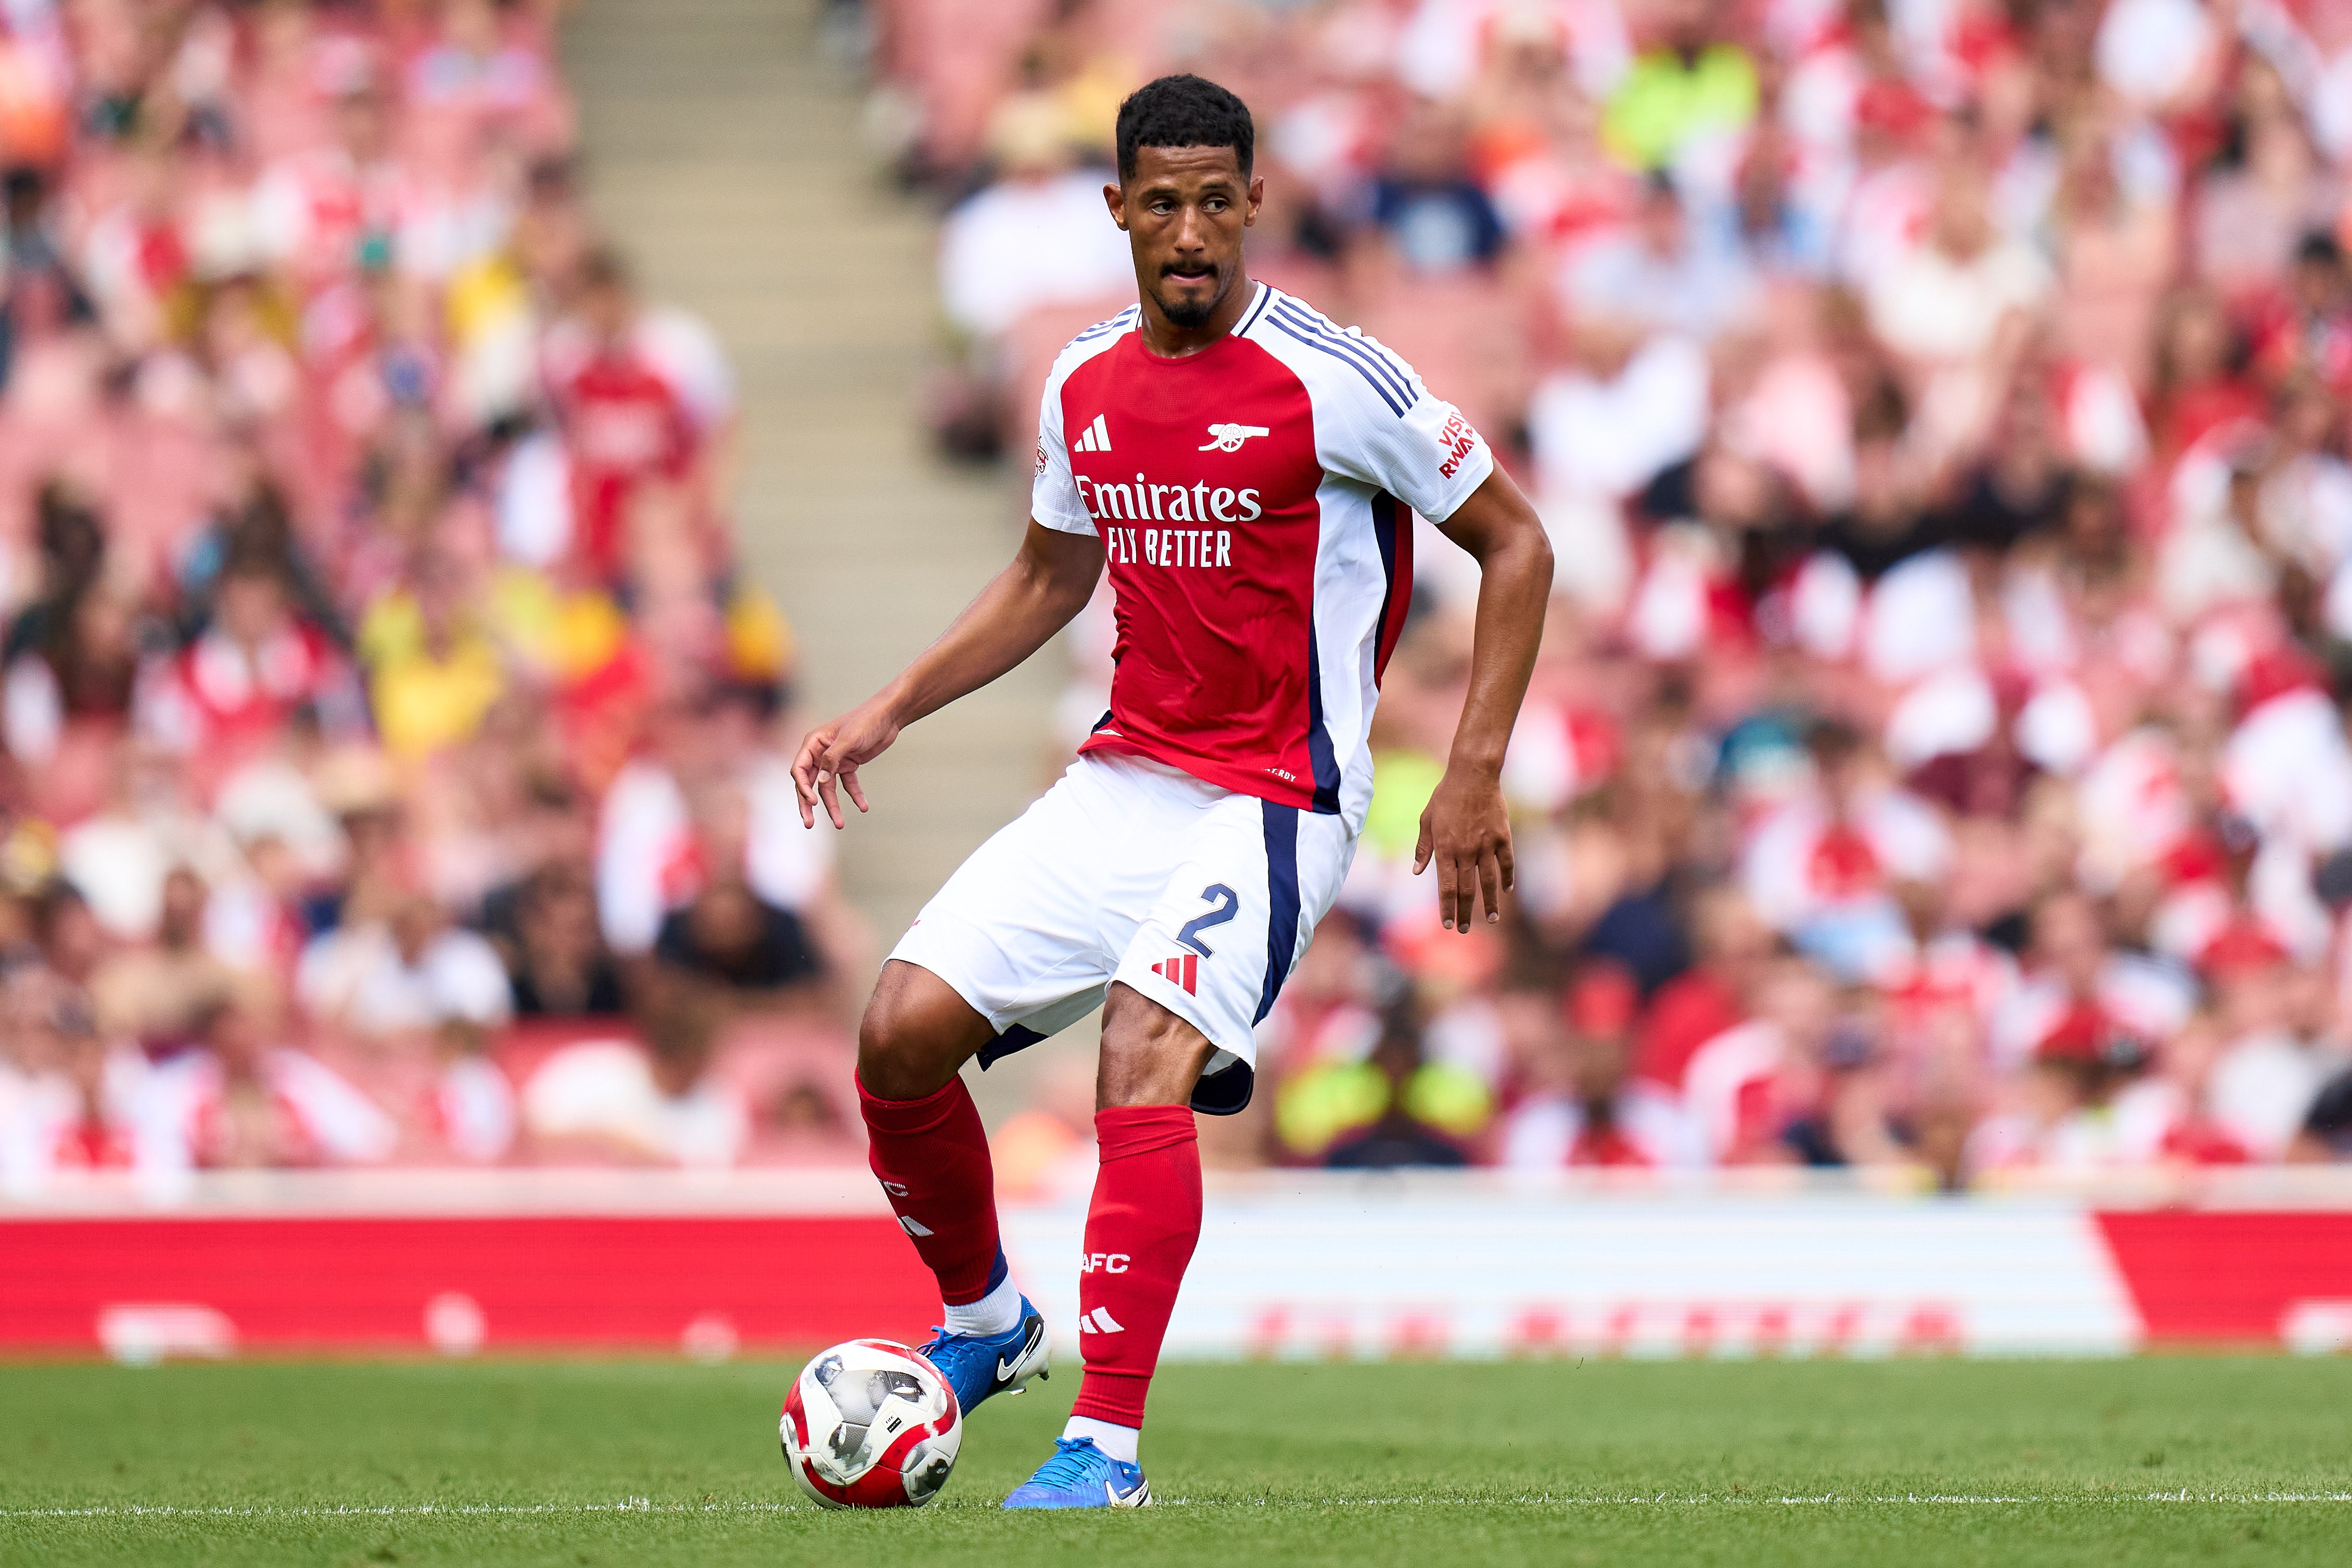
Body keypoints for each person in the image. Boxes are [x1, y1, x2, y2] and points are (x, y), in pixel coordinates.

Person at [792, 75, 1552, 1510]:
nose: (1190, 230)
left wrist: (1473, 772)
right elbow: (1044, 574)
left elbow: (1517, 544)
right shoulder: (1081, 380)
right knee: (896, 1036)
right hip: (1127, 775)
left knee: (1141, 1050)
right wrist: (893, 706)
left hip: (1281, 795)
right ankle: (986, 1328)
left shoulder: (1335, 379)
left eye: (1217, 200)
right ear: (1117, 211)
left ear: (1255, 202)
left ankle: (1107, 1448)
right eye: (1162, 202)